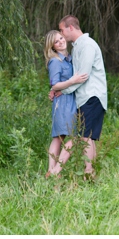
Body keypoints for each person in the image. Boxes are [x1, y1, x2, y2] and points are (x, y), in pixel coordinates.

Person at [49, 15, 108, 178]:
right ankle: (90, 174)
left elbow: (83, 76)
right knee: (88, 138)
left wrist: (63, 90)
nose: (61, 34)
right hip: (83, 98)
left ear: (71, 28)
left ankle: (56, 171)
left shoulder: (87, 45)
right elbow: (72, 76)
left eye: (62, 30)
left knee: (81, 138)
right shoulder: (76, 48)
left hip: (93, 97)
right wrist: (57, 89)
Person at [43, 30, 88, 177]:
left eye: (61, 38)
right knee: (70, 137)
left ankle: (51, 171)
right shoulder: (56, 61)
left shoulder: (69, 58)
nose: (61, 41)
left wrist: (66, 86)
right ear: (53, 47)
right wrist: (72, 81)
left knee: (61, 137)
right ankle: (55, 170)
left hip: (70, 99)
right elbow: (55, 84)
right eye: (56, 41)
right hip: (62, 103)